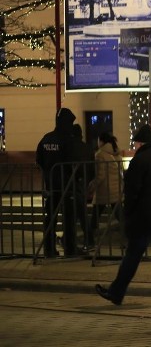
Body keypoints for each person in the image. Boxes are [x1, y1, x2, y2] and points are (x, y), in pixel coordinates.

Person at [95, 124, 151, 307]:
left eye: (135, 143)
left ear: (139, 142)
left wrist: (128, 216)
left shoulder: (139, 161)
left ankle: (116, 292)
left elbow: (132, 192)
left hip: (144, 218)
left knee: (132, 256)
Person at [35, 108, 77, 257]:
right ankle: (70, 249)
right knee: (68, 218)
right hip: (66, 186)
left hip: (51, 186)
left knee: (50, 218)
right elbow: (72, 161)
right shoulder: (67, 139)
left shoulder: (46, 138)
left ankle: (49, 249)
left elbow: (38, 160)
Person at [87, 132, 123, 245]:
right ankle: (128, 240)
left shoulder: (100, 154)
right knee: (121, 217)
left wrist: (92, 185)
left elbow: (100, 175)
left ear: (102, 141)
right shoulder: (116, 153)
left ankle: (89, 241)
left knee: (95, 217)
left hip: (104, 191)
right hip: (116, 189)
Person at [71, 124, 96, 249]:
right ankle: (70, 239)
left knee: (77, 212)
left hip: (73, 182)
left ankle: (86, 240)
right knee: (79, 212)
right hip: (83, 182)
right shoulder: (87, 147)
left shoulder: (71, 147)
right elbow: (92, 166)